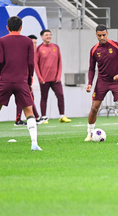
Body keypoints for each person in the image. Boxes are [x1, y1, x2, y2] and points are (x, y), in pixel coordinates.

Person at [0, 16, 42, 150]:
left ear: (7, 27)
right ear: (21, 27)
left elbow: (0, 61)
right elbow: (31, 63)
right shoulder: (28, 41)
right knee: (29, 111)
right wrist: (29, 80)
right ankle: (34, 142)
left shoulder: (2, 41)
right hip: (22, 80)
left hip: (4, 80)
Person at [84, 24, 118, 141]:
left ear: (107, 34)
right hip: (102, 82)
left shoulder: (116, 45)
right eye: (99, 35)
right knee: (94, 108)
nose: (101, 37)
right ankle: (89, 134)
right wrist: (89, 82)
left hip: (117, 82)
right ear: (96, 35)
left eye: (104, 35)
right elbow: (91, 68)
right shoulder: (94, 50)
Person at [35, 29, 71, 124]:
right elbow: (35, 65)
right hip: (44, 80)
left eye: (50, 35)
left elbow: (60, 62)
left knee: (60, 95)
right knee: (44, 97)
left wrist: (59, 75)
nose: (49, 36)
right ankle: (44, 117)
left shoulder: (56, 47)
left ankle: (62, 116)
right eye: (46, 35)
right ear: (42, 37)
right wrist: (40, 78)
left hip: (55, 79)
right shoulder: (39, 49)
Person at [14, 35, 42, 126]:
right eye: (33, 42)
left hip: (24, 81)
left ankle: (35, 117)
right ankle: (34, 118)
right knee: (27, 99)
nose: (34, 44)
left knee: (25, 99)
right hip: (20, 81)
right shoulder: (24, 53)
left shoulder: (32, 53)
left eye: (35, 43)